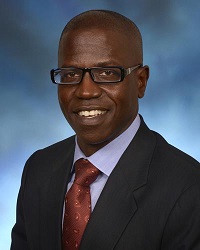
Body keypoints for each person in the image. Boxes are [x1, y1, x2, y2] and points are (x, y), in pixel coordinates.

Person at [11, 10, 200, 250]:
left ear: (141, 81)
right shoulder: (38, 169)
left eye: (107, 73)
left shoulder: (189, 188)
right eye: (71, 74)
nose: (85, 91)